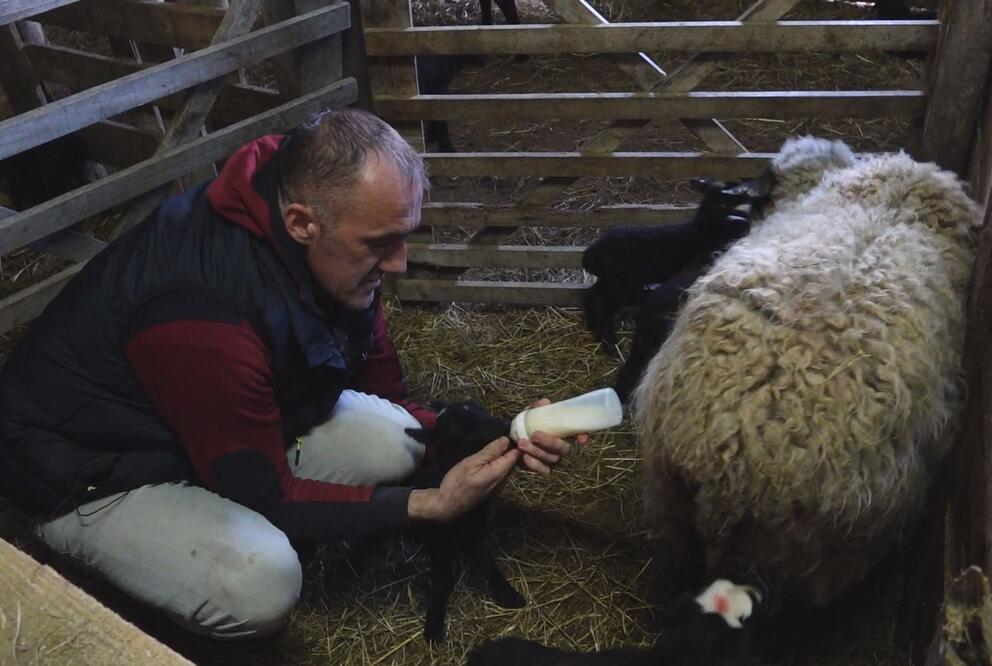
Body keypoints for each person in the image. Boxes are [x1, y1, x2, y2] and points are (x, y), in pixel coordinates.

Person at [0, 109, 581, 640]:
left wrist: (496, 434)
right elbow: (263, 495)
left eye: (405, 234)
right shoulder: (202, 313)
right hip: (89, 469)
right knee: (260, 581)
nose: (400, 262)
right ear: (303, 223)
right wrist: (430, 504)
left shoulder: (321, 219)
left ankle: (204, 497)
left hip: (202, 423)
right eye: (383, 243)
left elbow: (387, 389)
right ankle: (80, 544)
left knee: (394, 438)